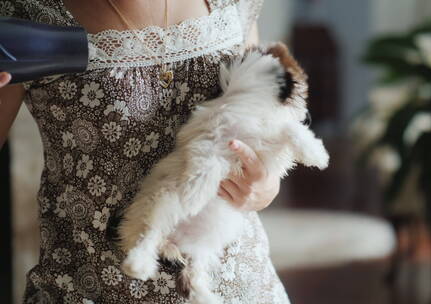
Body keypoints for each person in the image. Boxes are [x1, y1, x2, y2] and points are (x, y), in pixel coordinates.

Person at [0, 0, 291, 303]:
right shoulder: (26, 12)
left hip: (236, 284)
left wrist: (265, 186)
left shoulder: (233, 4)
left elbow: (263, 122)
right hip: (93, 288)